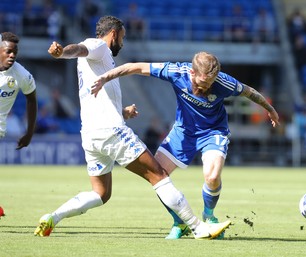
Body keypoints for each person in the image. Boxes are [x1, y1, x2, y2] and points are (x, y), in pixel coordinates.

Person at [33, 15, 230, 239]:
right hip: (111, 131)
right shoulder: (98, 46)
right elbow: (79, 48)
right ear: (114, 34)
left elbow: (97, 94)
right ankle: (198, 227)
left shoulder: (95, 63)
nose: (123, 43)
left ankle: (53, 217)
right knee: (159, 174)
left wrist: (122, 112)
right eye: (123, 37)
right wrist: (62, 53)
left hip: (90, 135)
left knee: (101, 193)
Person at [91, 51, 280, 239]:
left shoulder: (223, 82)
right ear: (192, 72)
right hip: (182, 132)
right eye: (202, 83)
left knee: (212, 176)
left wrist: (270, 110)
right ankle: (180, 222)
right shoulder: (176, 71)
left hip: (213, 131)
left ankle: (209, 216)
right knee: (157, 176)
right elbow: (135, 67)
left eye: (209, 84)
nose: (206, 87)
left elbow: (250, 92)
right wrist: (105, 78)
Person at [0, 32, 37, 149]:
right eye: (8, 51)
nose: (12, 55)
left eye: (15, 52)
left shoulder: (22, 76)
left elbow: (32, 101)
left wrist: (29, 133)